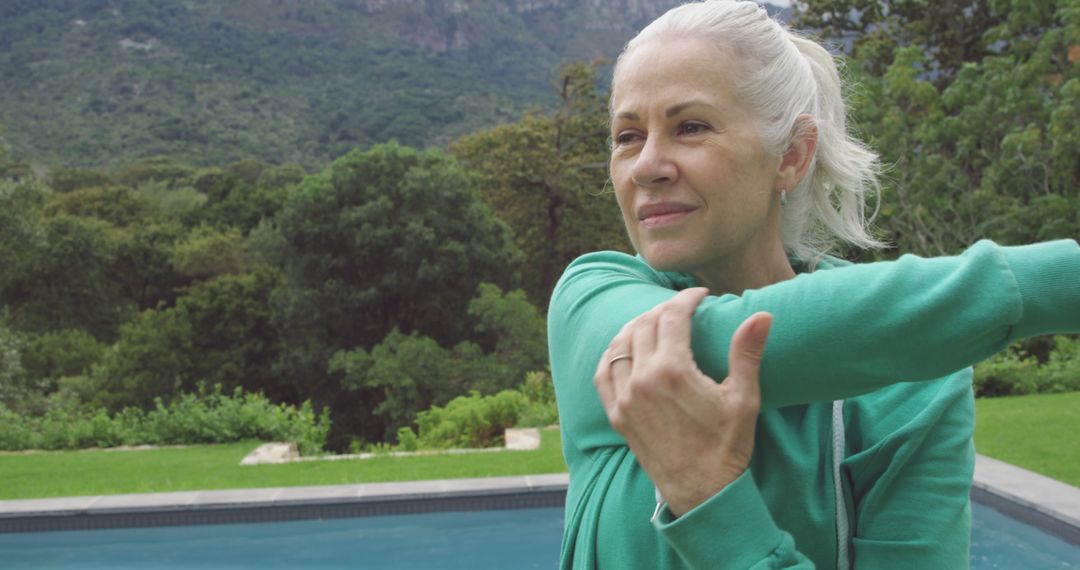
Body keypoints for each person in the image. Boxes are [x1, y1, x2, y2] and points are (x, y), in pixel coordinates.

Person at [546, 1, 1080, 568]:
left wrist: (715, 511)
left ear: (793, 156)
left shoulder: (914, 388)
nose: (646, 165)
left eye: (691, 127)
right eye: (628, 135)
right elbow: (727, 343)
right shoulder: (591, 296)